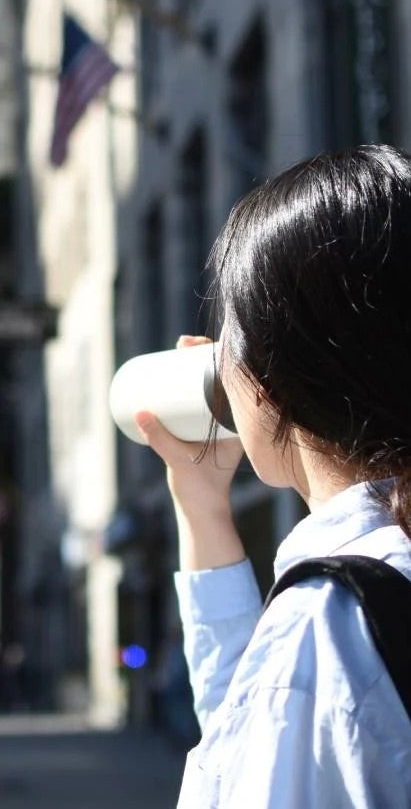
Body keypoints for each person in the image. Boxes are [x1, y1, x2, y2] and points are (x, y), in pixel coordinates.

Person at [135, 144, 411, 807]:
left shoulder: (333, 621)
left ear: (269, 379)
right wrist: (202, 508)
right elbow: (255, 724)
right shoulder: (347, 608)